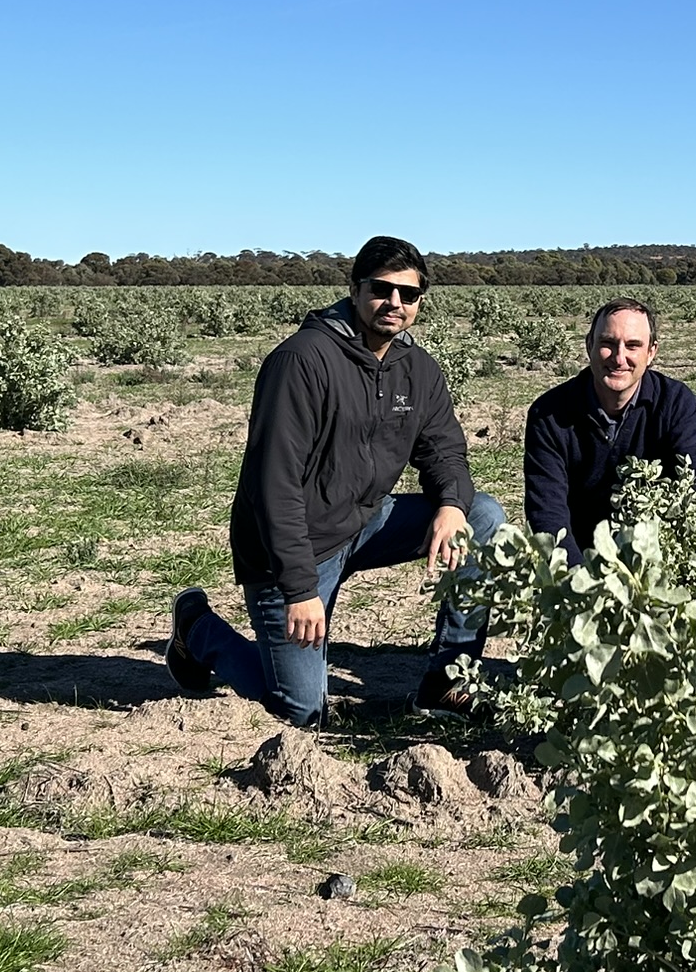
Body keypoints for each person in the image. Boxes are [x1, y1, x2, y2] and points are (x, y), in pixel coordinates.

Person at [165, 236, 506, 723]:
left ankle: (447, 682)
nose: (394, 303)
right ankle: (198, 630)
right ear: (353, 288)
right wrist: (301, 589)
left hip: (364, 523)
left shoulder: (419, 369)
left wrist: (451, 504)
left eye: (407, 295)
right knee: (301, 711)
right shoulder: (302, 360)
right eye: (381, 289)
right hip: (293, 546)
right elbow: (274, 486)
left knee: (482, 514)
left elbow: (444, 449)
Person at [524, 297, 696, 564]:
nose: (619, 358)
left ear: (651, 352)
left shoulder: (675, 403)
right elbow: (547, 511)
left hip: (654, 555)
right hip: (578, 556)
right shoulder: (549, 414)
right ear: (589, 345)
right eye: (608, 343)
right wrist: (582, 584)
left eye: (633, 346)